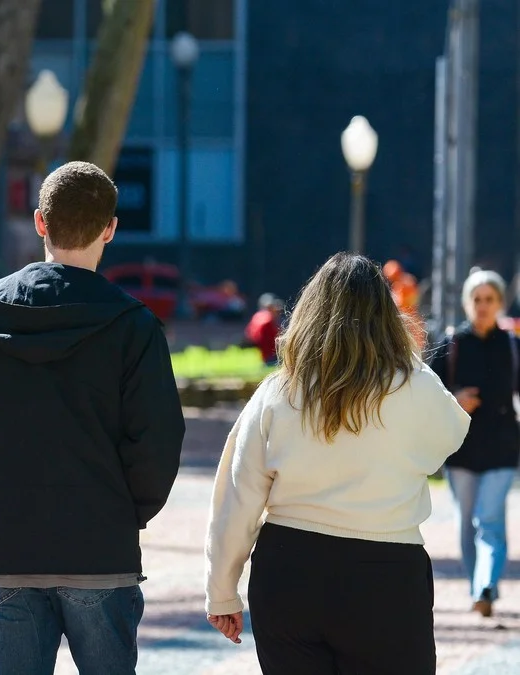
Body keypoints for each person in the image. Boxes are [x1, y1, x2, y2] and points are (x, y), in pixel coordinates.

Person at [0, 161, 186, 675]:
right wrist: (125, 513)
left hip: (9, 547)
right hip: (101, 549)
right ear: (110, 228)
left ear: (39, 222)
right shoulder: (133, 325)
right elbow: (158, 440)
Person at [205, 253, 470, 675]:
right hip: (386, 573)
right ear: (388, 317)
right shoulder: (414, 385)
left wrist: (222, 591)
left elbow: (238, 494)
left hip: (289, 568)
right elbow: (452, 435)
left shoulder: (278, 391)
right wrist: (402, 356)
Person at [430, 269, 520, 618]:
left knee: (490, 517)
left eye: (490, 300)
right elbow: (428, 396)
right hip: (461, 447)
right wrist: (455, 398)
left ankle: (485, 585)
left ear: (499, 303)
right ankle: (479, 586)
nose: (482, 306)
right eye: (476, 299)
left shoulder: (512, 346)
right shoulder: (451, 344)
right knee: (466, 521)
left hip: (502, 446)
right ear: (468, 303)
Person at [244, 293, 284, 365]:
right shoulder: (267, 319)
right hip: (270, 353)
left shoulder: (257, 316)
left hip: (262, 351)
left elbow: (249, 333)